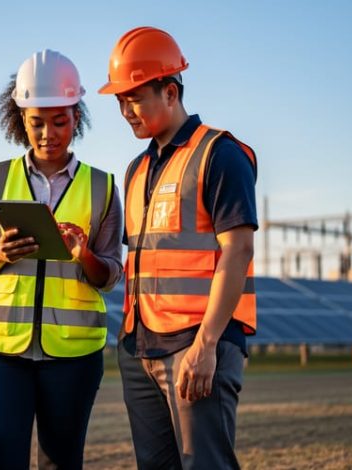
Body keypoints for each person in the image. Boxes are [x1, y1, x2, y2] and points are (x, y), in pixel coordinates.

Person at [97, 27, 258, 469]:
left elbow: (238, 253)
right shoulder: (136, 170)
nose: (126, 111)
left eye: (135, 98)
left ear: (170, 91)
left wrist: (206, 345)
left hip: (196, 346)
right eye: (119, 101)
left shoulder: (219, 154)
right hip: (139, 347)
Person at [0, 49, 123, 470]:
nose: (48, 133)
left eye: (59, 121)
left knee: (62, 463)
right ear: (20, 120)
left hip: (73, 355)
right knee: (1, 461)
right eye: (36, 123)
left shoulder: (102, 187)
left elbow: (110, 274)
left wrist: (83, 255)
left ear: (76, 116)